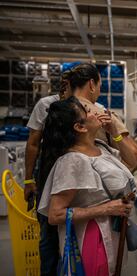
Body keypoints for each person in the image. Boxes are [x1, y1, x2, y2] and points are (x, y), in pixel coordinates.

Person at [38, 96, 136, 275]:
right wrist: (105, 209)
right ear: (80, 127)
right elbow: (55, 214)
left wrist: (114, 131)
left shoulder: (100, 147)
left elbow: (132, 162)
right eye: (89, 111)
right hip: (90, 239)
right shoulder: (72, 161)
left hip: (110, 235)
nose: (96, 112)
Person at [67, 63, 137, 171]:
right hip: (99, 177)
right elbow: (132, 153)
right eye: (100, 86)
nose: (99, 92)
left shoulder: (59, 111)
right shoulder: (101, 115)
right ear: (92, 85)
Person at [24, 71, 71, 275]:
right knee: (49, 235)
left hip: (72, 176)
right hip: (47, 173)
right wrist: (28, 180)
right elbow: (33, 143)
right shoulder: (46, 105)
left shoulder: (84, 107)